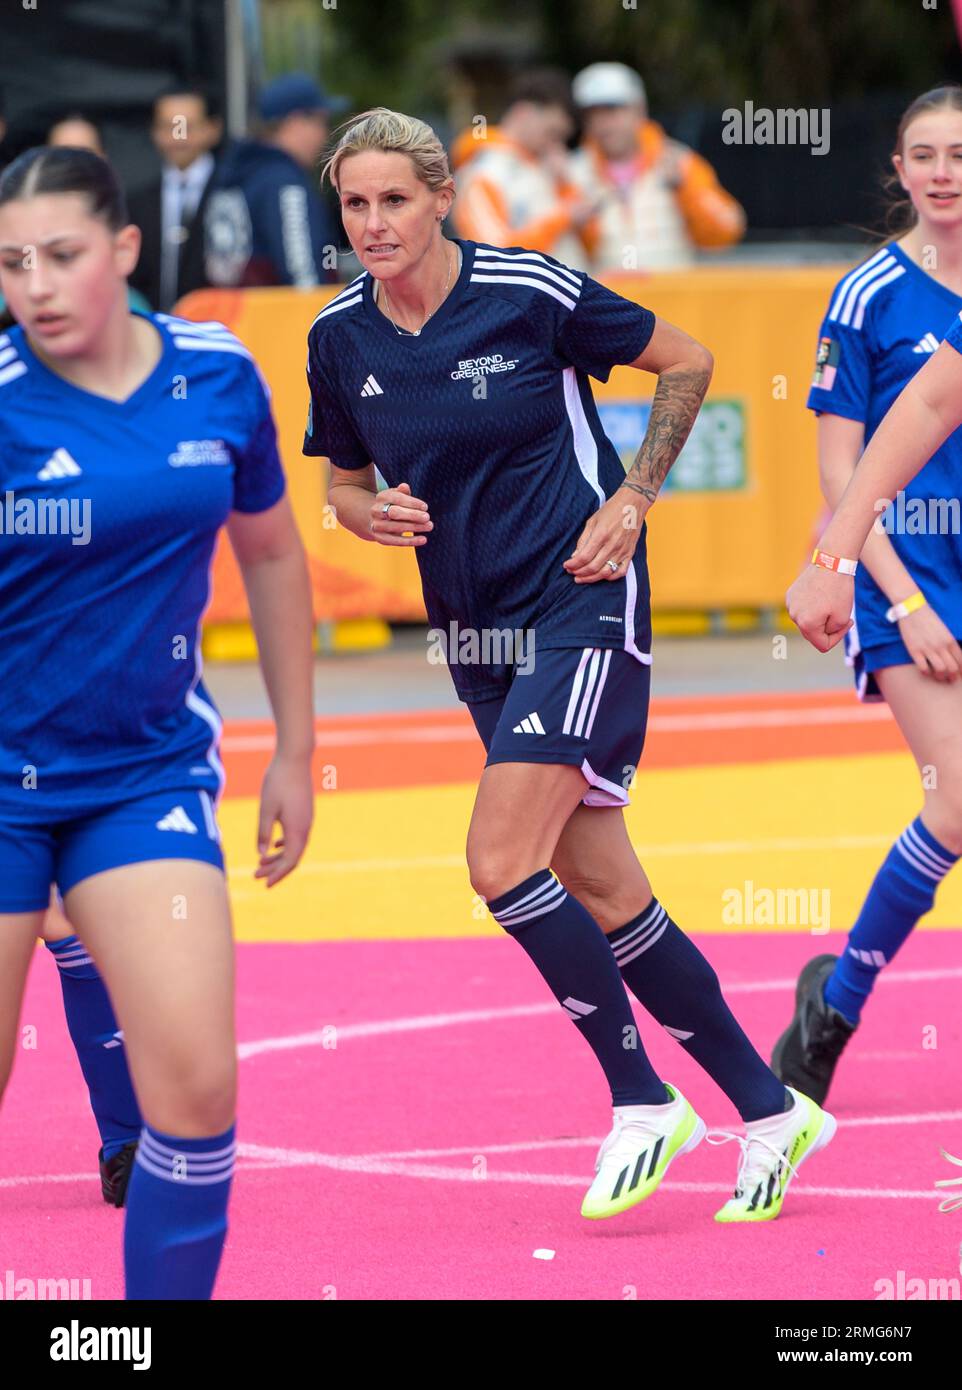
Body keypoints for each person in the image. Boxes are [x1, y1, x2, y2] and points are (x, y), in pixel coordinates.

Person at [304, 106, 835, 1224]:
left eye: (395, 198)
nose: (373, 222)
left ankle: (640, 1099)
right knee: (599, 885)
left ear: (443, 197)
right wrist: (365, 516)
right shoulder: (338, 337)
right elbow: (338, 484)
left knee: (498, 858)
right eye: (354, 203)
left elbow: (686, 361)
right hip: (472, 629)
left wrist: (634, 499)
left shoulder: (528, 291)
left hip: (578, 600)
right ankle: (771, 1109)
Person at [0, 145, 316, 1298]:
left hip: (144, 776)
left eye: (62, 256)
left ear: (125, 251)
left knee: (192, 1096)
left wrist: (296, 748)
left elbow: (273, 552)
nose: (34, 285)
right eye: (11, 262)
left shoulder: (218, 374)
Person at [782, 87, 962, 1101]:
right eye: (922, 154)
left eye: (956, 154)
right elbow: (842, 471)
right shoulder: (866, 298)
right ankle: (835, 1008)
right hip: (910, 579)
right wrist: (897, 600)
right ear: (896, 168)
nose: (940, 172)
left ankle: (834, 991)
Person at [568, 62, 744, 273]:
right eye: (592, 114)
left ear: (639, 109)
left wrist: (685, 189)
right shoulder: (571, 172)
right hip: (605, 303)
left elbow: (725, 233)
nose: (603, 122)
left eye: (612, 110)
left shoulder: (679, 161)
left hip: (672, 301)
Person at [203, 73, 342, 289]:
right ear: (295, 122)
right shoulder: (285, 184)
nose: (324, 135)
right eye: (321, 122)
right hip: (280, 319)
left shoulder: (234, 174)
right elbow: (304, 276)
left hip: (232, 316)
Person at [450, 69, 598, 270]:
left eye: (561, 137)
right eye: (551, 132)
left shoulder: (551, 168)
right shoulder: (483, 173)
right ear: (523, 113)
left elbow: (593, 245)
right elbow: (493, 257)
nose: (556, 145)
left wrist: (566, 187)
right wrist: (563, 217)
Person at [126, 84, 224, 312]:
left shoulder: (235, 193)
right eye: (168, 126)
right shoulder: (136, 202)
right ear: (154, 132)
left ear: (213, 129)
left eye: (187, 126)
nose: (178, 137)